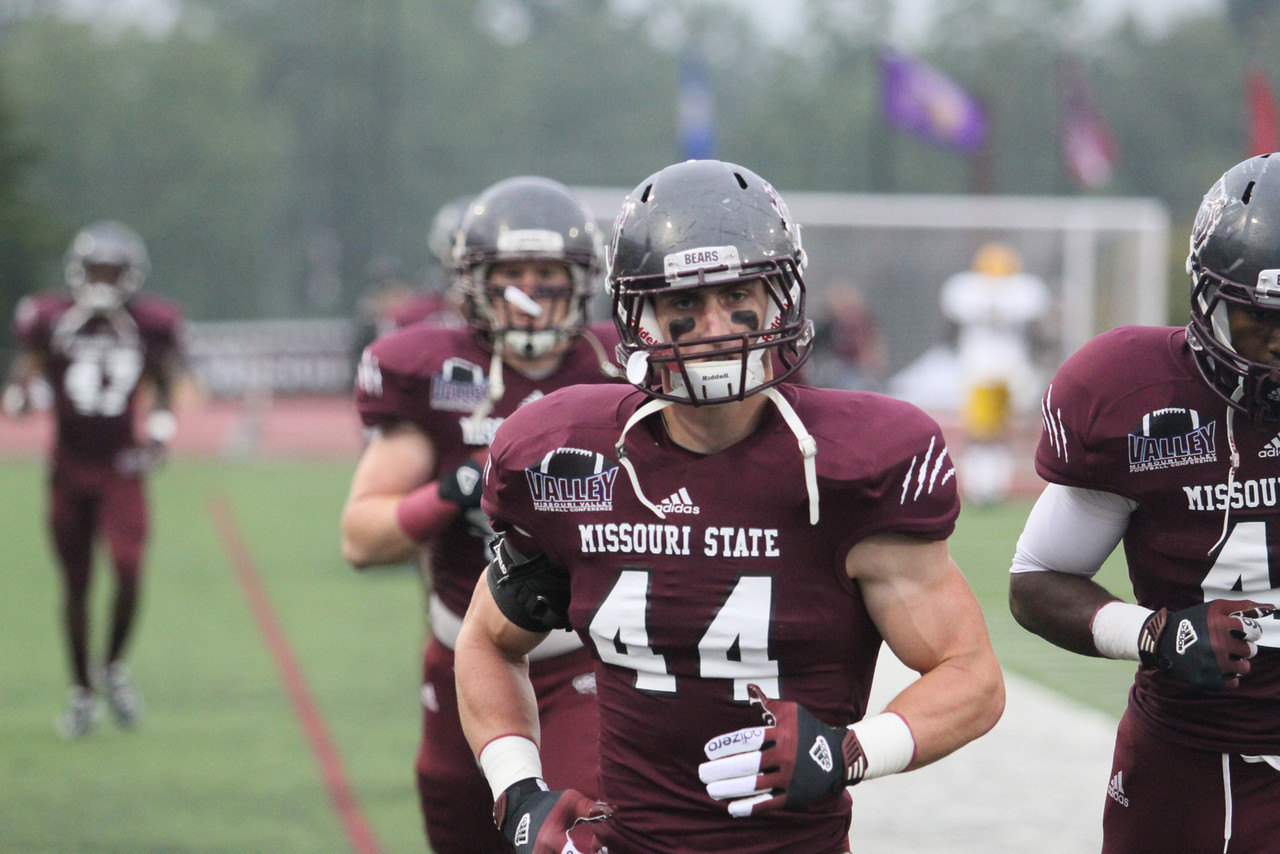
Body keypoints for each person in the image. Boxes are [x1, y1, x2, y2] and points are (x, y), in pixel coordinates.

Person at [454, 159, 1005, 854]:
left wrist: (851, 750)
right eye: (683, 303)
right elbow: (486, 641)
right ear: (637, 316)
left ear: (780, 296)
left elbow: (972, 677)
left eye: (737, 292)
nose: (713, 326)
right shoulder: (571, 454)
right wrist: (517, 786)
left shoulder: (850, 467)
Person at [340, 175, 622, 853]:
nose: (529, 291)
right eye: (512, 273)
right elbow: (362, 537)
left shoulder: (622, 368)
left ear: (580, 281)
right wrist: (456, 486)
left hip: (582, 659)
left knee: (572, 841)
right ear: (473, 282)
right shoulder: (433, 368)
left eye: (547, 274)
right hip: (461, 656)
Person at [1008, 153, 1280, 854]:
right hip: (1189, 757)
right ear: (1208, 302)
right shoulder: (1133, 396)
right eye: (1259, 319)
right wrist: (1157, 633)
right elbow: (1037, 581)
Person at [2, 219, 186, 738]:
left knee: (128, 569)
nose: (103, 279)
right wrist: (19, 395)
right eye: (95, 268)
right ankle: (82, 690)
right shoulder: (54, 318)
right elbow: (28, 369)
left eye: (113, 269)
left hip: (122, 467)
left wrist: (159, 430)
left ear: (132, 275)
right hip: (68, 466)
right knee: (76, 584)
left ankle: (113, 666)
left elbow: (165, 381)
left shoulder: (148, 324)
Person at [939, 242, 1052, 504]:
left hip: (992, 366)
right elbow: (1037, 332)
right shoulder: (1020, 292)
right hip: (999, 367)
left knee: (994, 431)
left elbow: (950, 331)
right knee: (989, 432)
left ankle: (989, 485)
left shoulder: (971, 291)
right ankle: (987, 485)